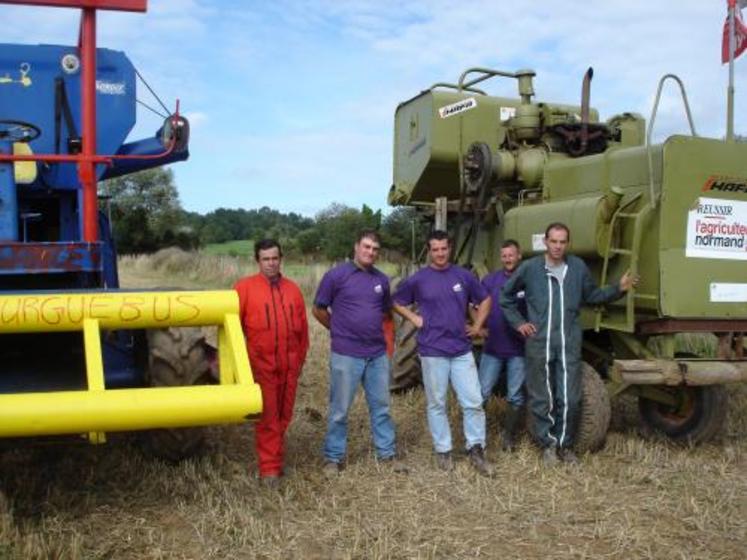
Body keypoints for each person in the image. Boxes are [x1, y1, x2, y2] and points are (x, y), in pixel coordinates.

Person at [500, 223, 637, 466]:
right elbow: (506, 298)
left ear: (568, 244)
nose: (558, 246)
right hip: (539, 343)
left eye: (562, 242)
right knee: (543, 397)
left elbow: (593, 296)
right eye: (553, 241)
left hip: (568, 343)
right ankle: (548, 446)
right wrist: (519, 323)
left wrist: (619, 289)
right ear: (545, 242)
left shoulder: (577, 267)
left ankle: (565, 445)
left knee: (570, 397)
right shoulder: (530, 268)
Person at [392, 230, 494, 476]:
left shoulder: (464, 276)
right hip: (432, 351)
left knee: (473, 401)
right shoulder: (419, 279)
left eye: (444, 248)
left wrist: (478, 326)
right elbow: (395, 301)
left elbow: (486, 299)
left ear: (450, 249)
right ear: (429, 251)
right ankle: (443, 450)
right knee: (437, 403)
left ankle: (476, 449)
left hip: (461, 350)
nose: (440, 253)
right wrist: (414, 318)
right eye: (435, 249)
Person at [313, 229, 405, 477]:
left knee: (382, 406)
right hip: (346, 354)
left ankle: (386, 454)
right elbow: (319, 309)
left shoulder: (381, 280)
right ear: (356, 247)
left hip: (376, 354)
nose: (370, 252)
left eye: (375, 249)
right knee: (340, 409)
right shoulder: (336, 276)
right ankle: (333, 458)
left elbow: (386, 312)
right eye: (366, 247)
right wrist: (339, 329)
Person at [234, 239, 309, 487]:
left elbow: (303, 334)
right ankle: (269, 470)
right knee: (268, 419)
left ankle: (275, 457)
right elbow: (233, 331)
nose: (271, 263)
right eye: (265, 259)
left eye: (274, 258)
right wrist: (243, 368)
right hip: (262, 367)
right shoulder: (244, 289)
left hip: (289, 367)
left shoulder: (293, 290)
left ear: (281, 259)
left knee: (283, 416)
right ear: (257, 261)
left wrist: (299, 363)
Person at [478, 239, 526, 452]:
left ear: (519, 256)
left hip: (519, 350)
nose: (507, 259)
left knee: (515, 395)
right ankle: (478, 437)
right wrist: (479, 326)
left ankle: (509, 436)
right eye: (504, 255)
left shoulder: (528, 281)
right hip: (493, 348)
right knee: (482, 393)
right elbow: (476, 305)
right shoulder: (490, 280)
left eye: (511, 255)